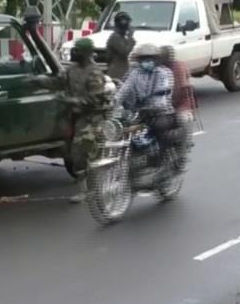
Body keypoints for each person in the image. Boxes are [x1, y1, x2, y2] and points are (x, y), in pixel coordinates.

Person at [33, 38, 112, 203]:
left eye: (77, 51)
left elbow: (95, 100)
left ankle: (89, 190)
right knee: (70, 153)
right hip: (74, 117)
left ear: (86, 54)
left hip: (91, 118)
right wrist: (38, 81)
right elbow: (58, 82)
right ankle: (87, 185)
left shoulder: (94, 73)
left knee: (82, 153)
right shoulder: (72, 70)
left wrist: (72, 101)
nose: (74, 53)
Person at [116, 43, 176, 156]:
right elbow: (124, 89)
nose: (147, 61)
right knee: (123, 127)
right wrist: (114, 103)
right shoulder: (135, 73)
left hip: (162, 112)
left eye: (150, 58)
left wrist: (152, 107)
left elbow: (162, 95)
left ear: (156, 59)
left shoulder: (164, 73)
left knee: (159, 126)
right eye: (144, 59)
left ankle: (162, 156)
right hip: (141, 112)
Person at [160, 45, 195, 158]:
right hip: (163, 103)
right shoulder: (159, 69)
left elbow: (186, 84)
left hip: (181, 102)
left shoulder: (180, 66)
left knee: (183, 119)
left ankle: (185, 143)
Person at [105, 11, 135, 81]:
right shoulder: (115, 37)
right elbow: (124, 52)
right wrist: (130, 37)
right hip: (117, 72)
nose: (129, 26)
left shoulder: (121, 37)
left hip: (122, 70)